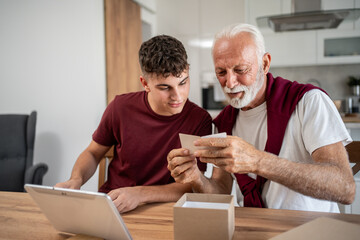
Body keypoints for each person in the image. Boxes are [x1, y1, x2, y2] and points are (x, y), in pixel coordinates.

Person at [167, 23, 355, 212]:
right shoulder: (224, 121)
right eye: (221, 72)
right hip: (255, 228)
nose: (230, 83)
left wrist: (258, 161)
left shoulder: (308, 102)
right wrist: (196, 178)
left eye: (240, 70)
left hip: (313, 228)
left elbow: (345, 188)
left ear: (264, 64)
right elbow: (221, 192)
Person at [55, 35, 212, 213]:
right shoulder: (120, 108)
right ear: (145, 83)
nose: (178, 96)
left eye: (183, 82)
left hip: (163, 211)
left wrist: (139, 194)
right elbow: (93, 152)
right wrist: (76, 179)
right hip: (113, 205)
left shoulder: (200, 120)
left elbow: (190, 185)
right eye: (165, 87)